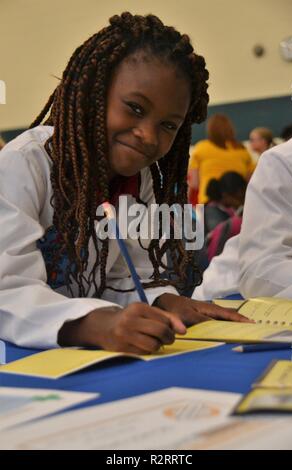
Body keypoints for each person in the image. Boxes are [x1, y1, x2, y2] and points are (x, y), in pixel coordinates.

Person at [0, 12, 247, 352]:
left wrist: (165, 302)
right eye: (134, 107)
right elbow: (6, 291)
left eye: (168, 126)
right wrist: (95, 323)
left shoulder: (140, 181)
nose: (147, 135)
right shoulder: (24, 163)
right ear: (91, 94)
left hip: (77, 362)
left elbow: (125, 275)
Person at [193, 136, 292, 301]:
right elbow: (260, 273)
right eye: (252, 140)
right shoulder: (282, 162)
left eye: (256, 140)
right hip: (228, 298)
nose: (252, 144)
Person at [188, 114, 253, 204]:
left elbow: (195, 183)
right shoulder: (241, 149)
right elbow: (249, 180)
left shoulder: (201, 147)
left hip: (209, 201)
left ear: (210, 130)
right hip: (239, 202)